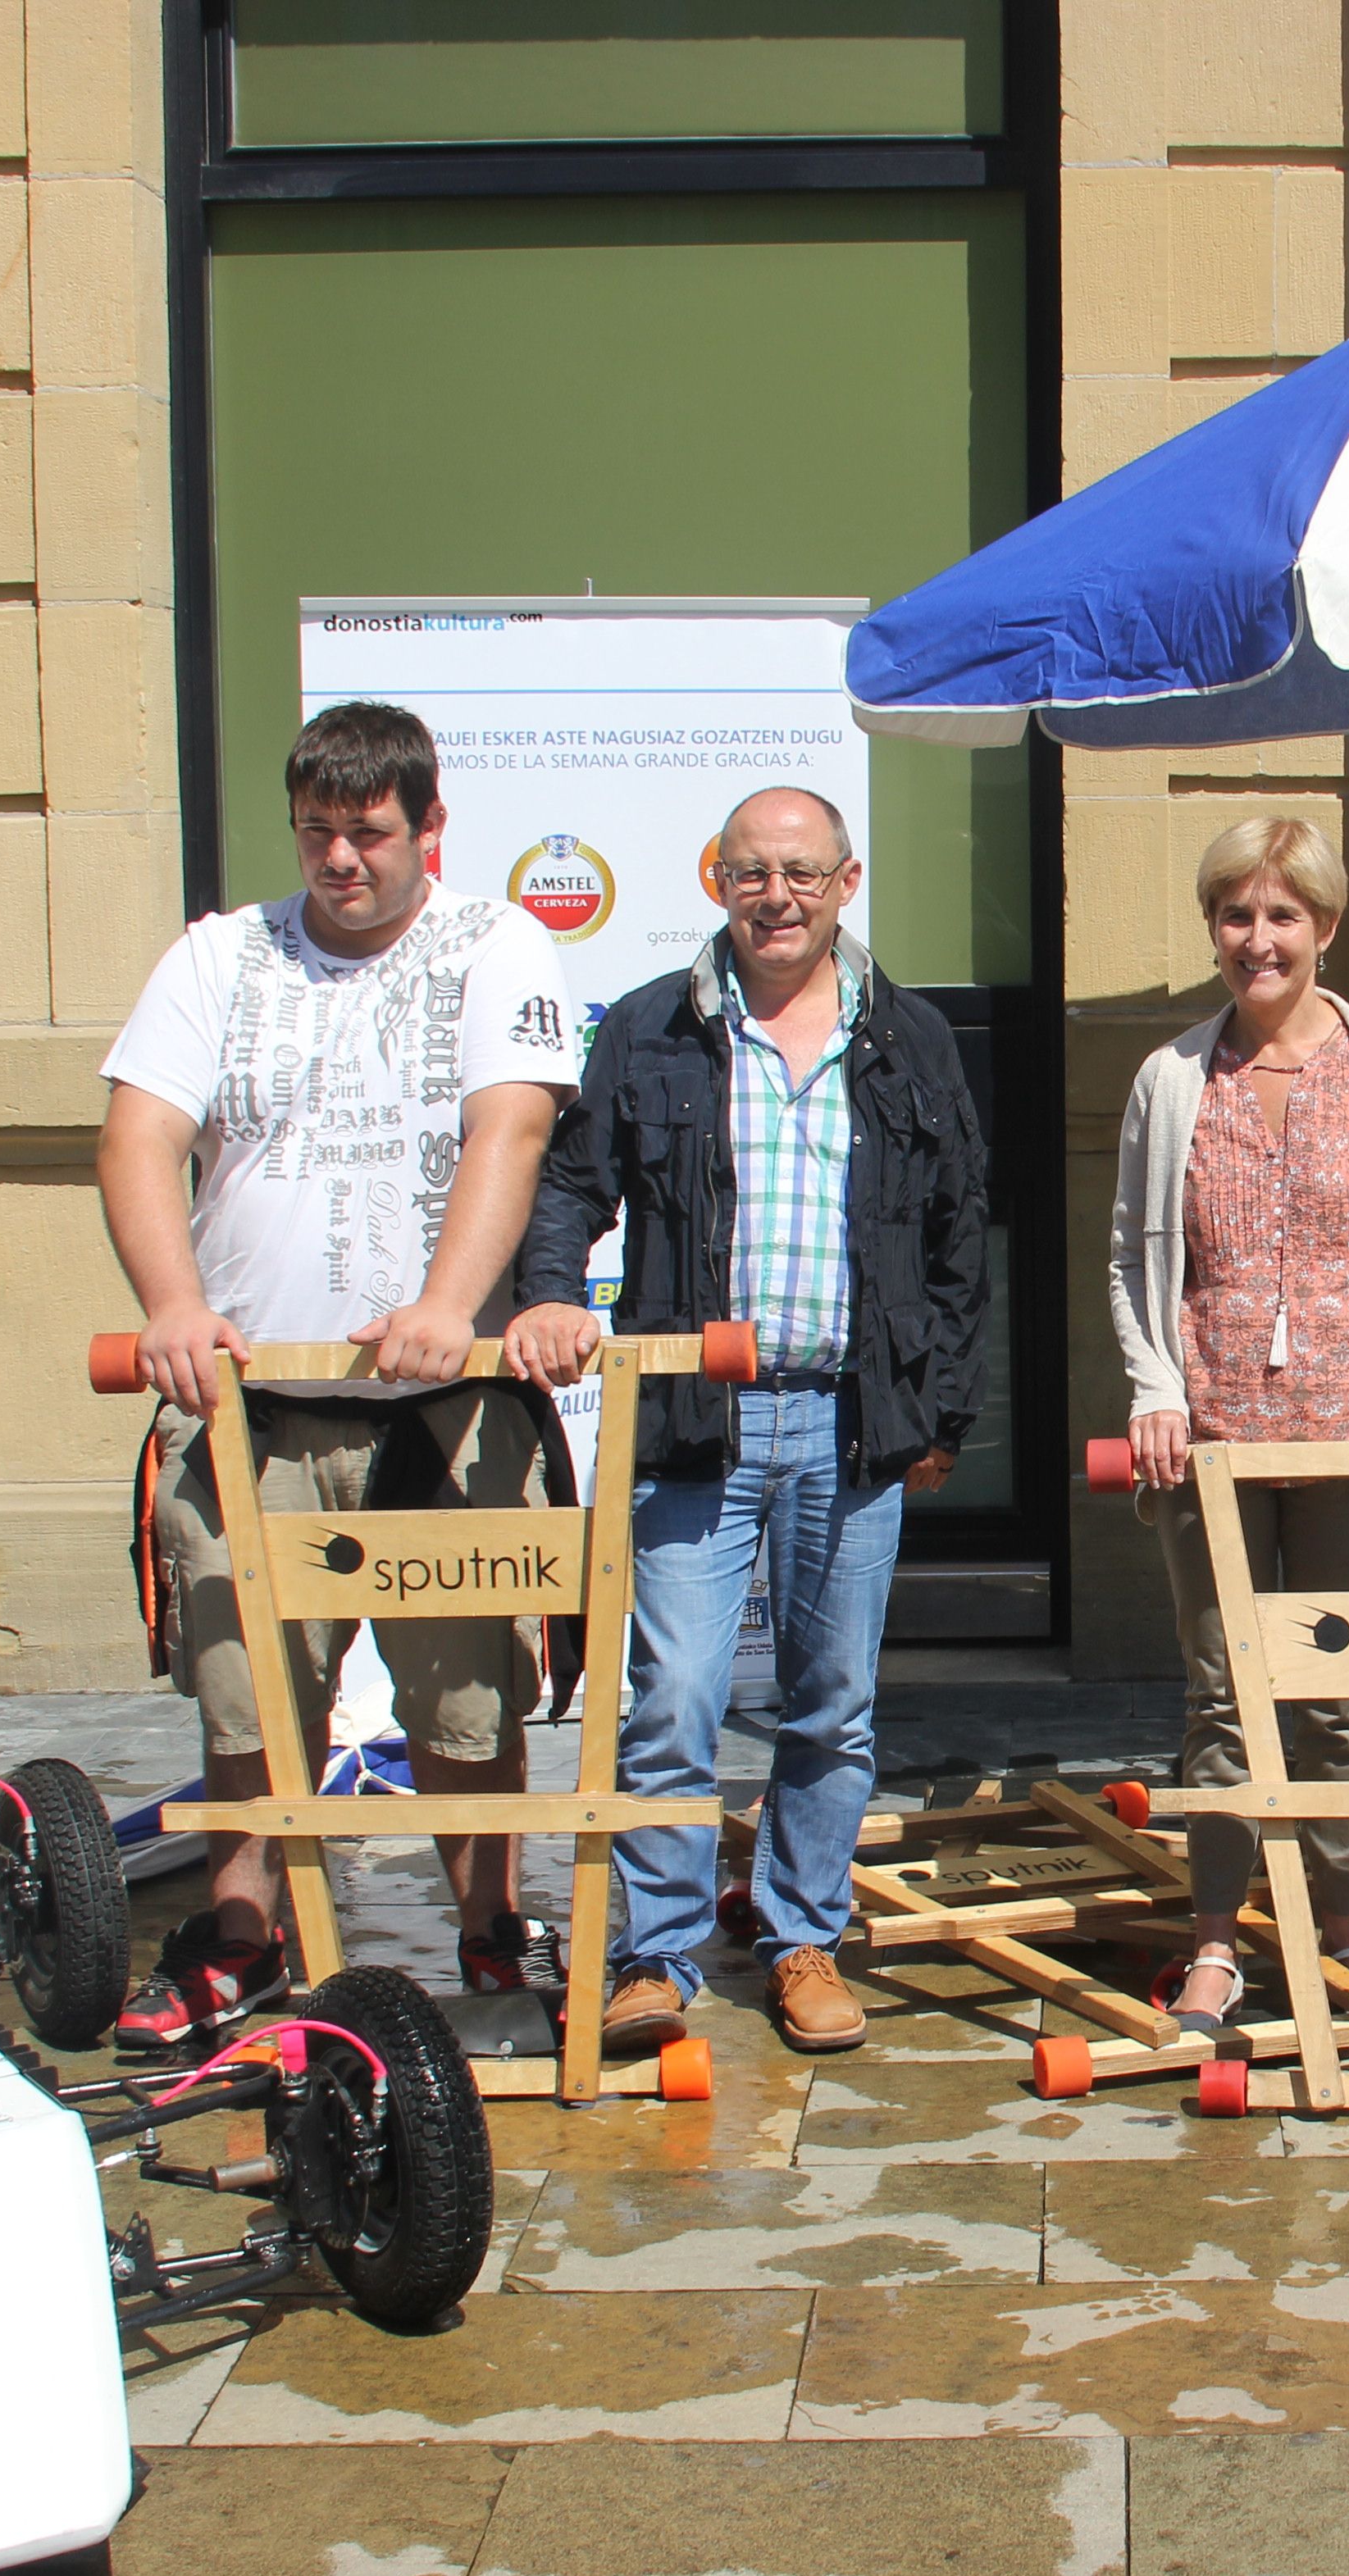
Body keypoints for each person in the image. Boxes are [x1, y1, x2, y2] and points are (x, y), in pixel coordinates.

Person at [95, 701, 582, 2052]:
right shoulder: (218, 958)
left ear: (428, 828)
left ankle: (489, 1926)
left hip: (440, 1411)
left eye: (368, 835)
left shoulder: (493, 945)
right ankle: (240, 1942)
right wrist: (173, 1307)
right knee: (250, 1694)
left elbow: (513, 1124)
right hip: (257, 1406)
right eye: (317, 835)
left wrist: (442, 1303)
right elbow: (139, 1140)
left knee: (466, 1702)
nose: (340, 862)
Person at [506, 787, 991, 2055]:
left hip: (850, 1423)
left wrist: (938, 1407)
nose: (779, 895)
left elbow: (956, 1239)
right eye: (754, 871)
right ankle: (653, 1956)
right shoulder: (653, 1031)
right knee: (672, 1700)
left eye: (804, 873)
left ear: (848, 881)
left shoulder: (913, 1041)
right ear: (717, 878)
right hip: (693, 1422)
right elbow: (570, 1184)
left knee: (833, 1703)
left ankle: (802, 1938)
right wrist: (552, 1293)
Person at [1109, 819, 1349, 2032]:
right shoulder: (1172, 1079)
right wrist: (1154, 1386)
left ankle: (1342, 1938)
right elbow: (1131, 1260)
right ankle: (1216, 1941)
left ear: (1325, 925)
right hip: (1210, 1437)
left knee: (1337, 1698)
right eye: (1234, 915)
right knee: (1222, 1695)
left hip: (1345, 1441)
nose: (1256, 940)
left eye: (1281, 916)